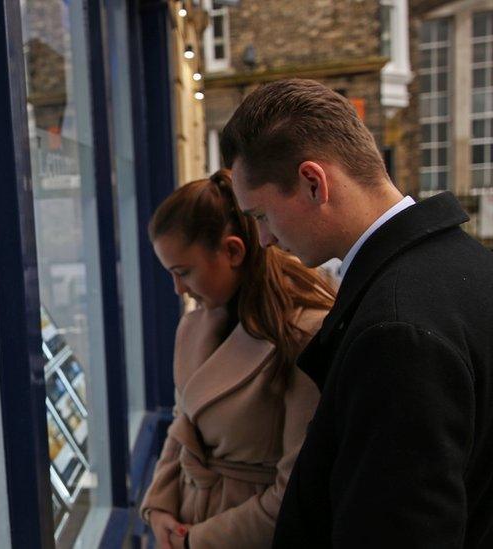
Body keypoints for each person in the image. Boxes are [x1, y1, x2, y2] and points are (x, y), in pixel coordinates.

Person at [220, 78, 493, 547]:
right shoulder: (468, 264)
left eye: (262, 215)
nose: (263, 240)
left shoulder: (397, 330)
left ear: (313, 183)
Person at [140, 169, 336, 548]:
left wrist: (197, 540)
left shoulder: (303, 334)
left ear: (233, 251)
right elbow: (184, 427)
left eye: (184, 272)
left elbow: (298, 490)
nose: (178, 289)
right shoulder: (193, 326)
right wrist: (160, 508)